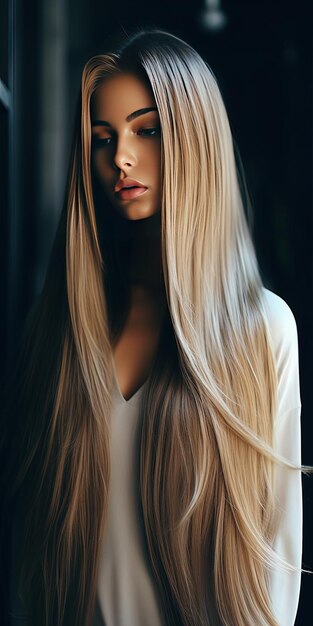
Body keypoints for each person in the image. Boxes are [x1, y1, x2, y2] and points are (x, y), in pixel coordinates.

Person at [4, 29, 302, 626]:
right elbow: (29, 559)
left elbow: (276, 569)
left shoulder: (262, 330)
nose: (121, 157)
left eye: (147, 130)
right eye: (103, 139)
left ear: (195, 142)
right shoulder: (56, 333)